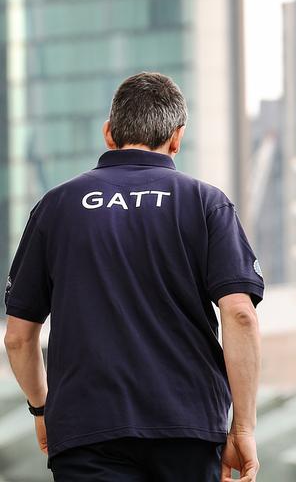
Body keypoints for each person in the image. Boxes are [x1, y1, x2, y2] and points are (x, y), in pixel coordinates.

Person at [3, 72, 263, 482]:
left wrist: (42, 408)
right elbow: (240, 315)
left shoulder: (56, 207)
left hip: (87, 430)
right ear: (177, 138)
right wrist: (243, 427)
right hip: (187, 426)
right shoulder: (205, 203)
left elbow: (18, 336)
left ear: (109, 133)